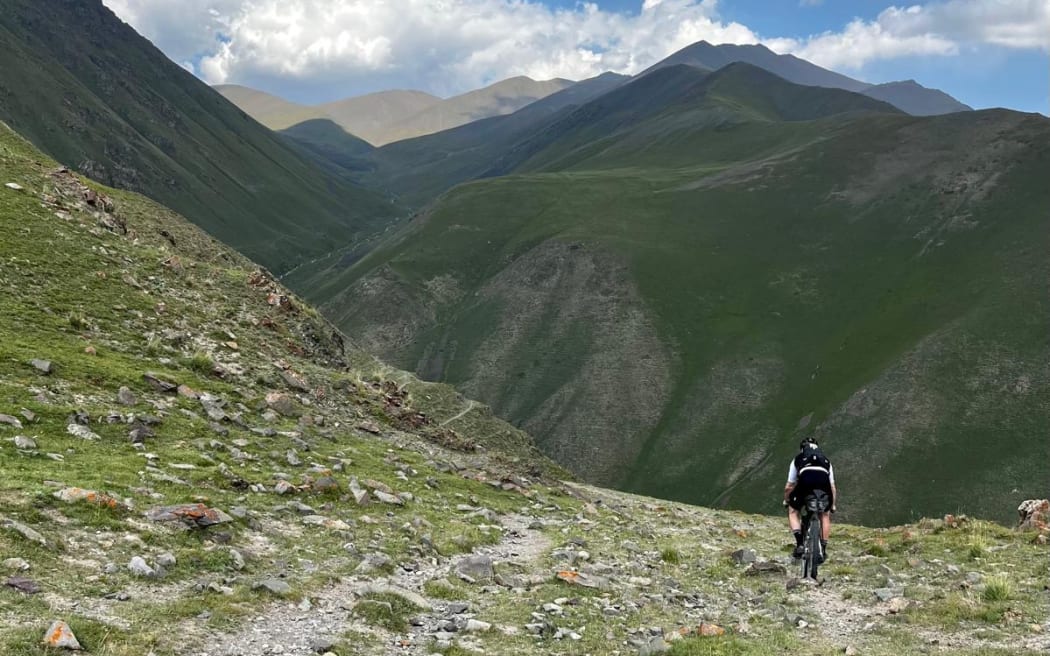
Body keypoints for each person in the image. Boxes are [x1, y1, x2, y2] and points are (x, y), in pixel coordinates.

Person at [783, 438, 837, 561]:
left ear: (802, 448)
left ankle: (800, 544)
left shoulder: (798, 458)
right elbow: (833, 487)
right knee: (825, 514)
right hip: (824, 485)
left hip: (805, 483)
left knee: (793, 511)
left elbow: (789, 486)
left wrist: (787, 500)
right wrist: (832, 505)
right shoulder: (826, 460)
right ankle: (823, 548)